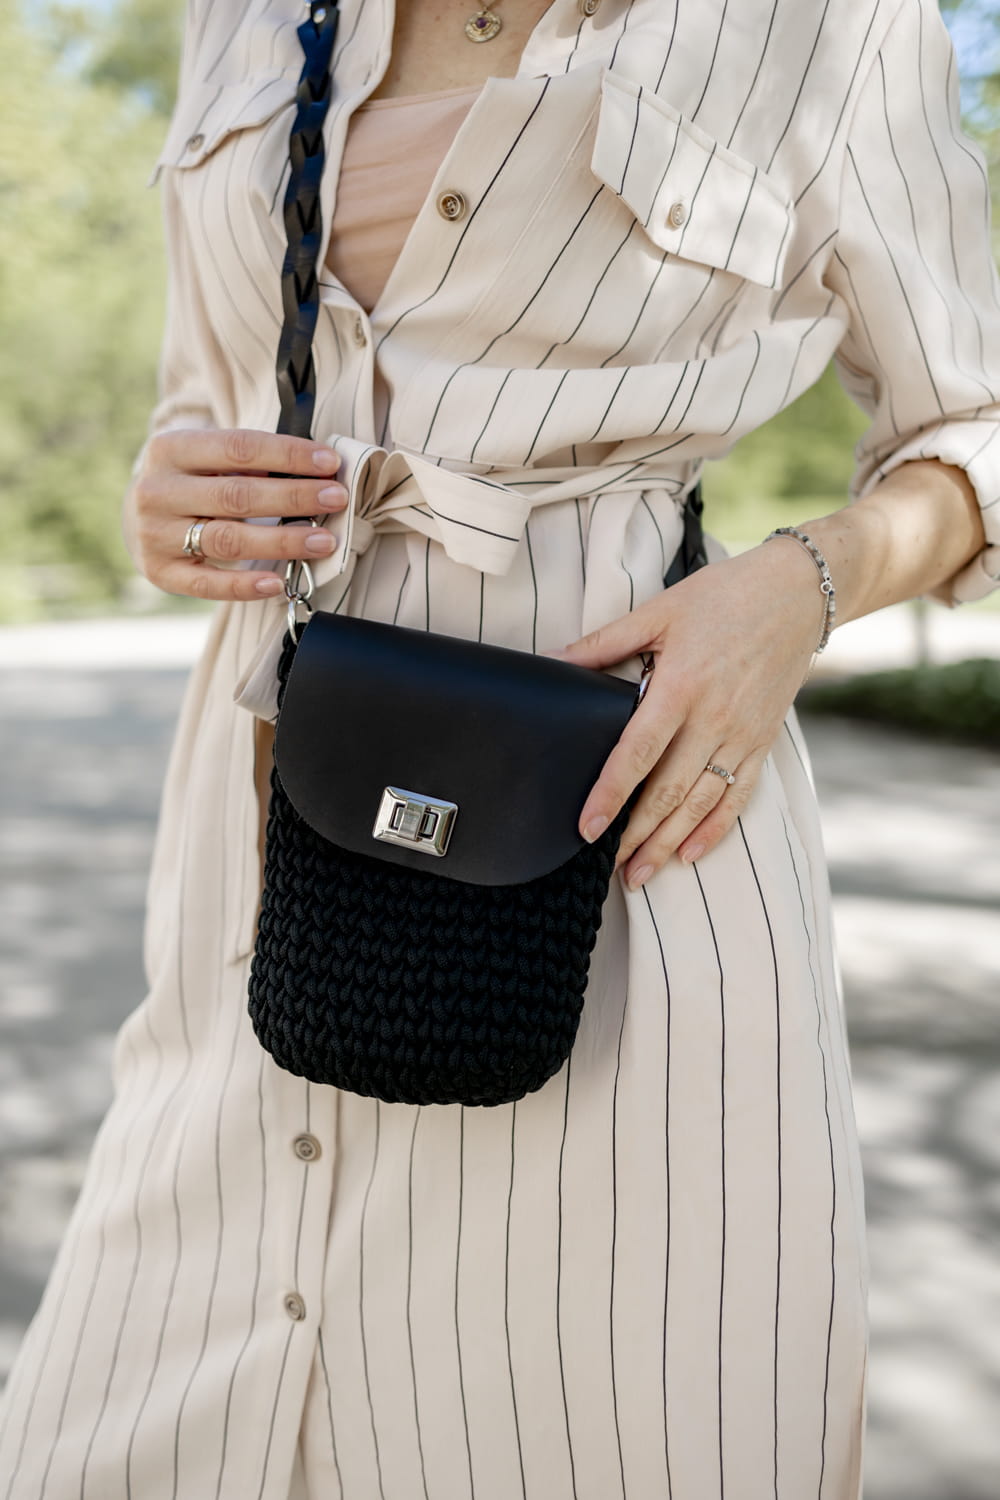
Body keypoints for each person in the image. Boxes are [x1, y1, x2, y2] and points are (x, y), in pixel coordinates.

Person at [2, 1, 998, 1496]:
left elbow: (977, 426)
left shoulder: (830, 23)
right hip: (255, 863)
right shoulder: (246, 14)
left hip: (633, 865)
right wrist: (169, 496)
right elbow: (206, 398)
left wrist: (801, 590)